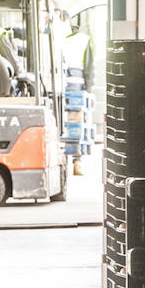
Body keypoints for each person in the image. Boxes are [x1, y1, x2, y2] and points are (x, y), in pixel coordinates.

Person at [59, 11, 96, 176]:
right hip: (68, 89)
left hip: (71, 90)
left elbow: (89, 67)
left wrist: (87, 91)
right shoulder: (74, 39)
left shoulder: (79, 40)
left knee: (72, 125)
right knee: (69, 126)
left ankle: (75, 161)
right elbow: (89, 68)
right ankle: (72, 161)